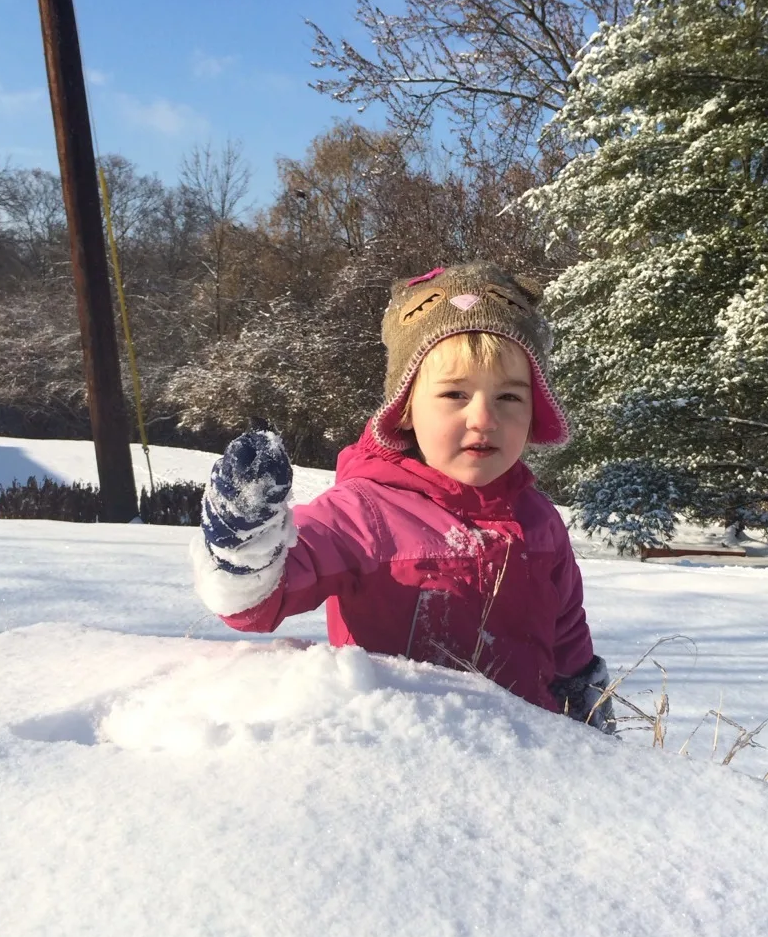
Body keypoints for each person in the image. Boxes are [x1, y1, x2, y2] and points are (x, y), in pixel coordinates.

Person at [192, 262, 615, 731]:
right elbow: (258, 604)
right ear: (407, 409)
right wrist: (245, 542)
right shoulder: (364, 513)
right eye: (455, 394)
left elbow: (566, 629)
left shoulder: (537, 519)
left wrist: (584, 701)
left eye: (510, 398)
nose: (484, 418)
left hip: (529, 757)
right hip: (406, 756)